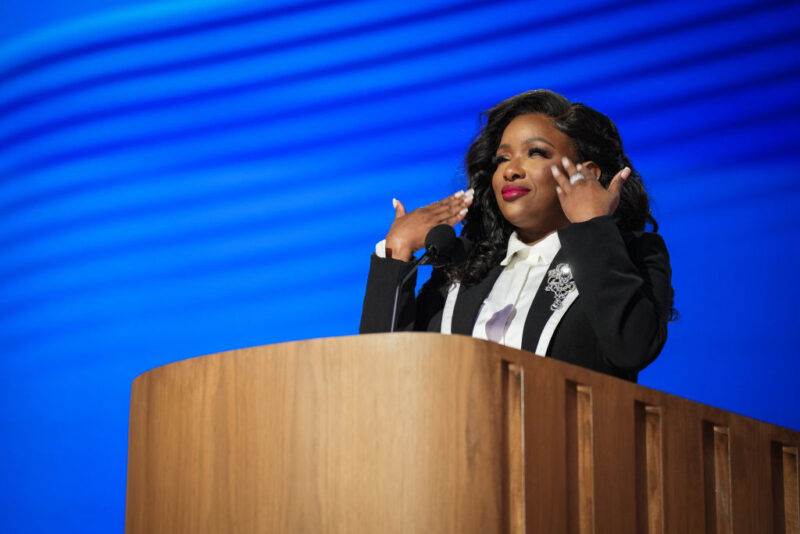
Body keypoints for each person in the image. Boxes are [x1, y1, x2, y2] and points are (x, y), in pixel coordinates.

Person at [360, 89, 674, 382]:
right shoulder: (463, 269)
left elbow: (631, 349)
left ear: (587, 174)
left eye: (535, 152)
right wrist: (397, 251)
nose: (511, 170)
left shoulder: (635, 255)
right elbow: (379, 376)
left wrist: (593, 226)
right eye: (503, 159)